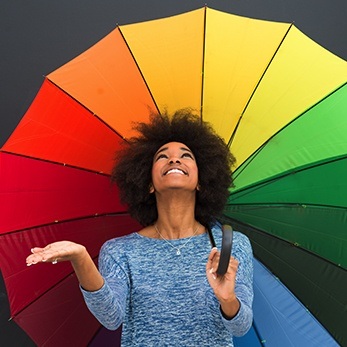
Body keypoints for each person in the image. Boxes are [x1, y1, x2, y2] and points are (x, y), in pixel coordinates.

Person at [26, 109, 253, 346]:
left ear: (202, 182)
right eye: (162, 157)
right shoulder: (120, 251)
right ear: (148, 184)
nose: (174, 159)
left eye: (186, 156)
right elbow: (111, 318)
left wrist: (228, 299)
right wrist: (80, 258)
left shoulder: (232, 245)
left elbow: (240, 326)